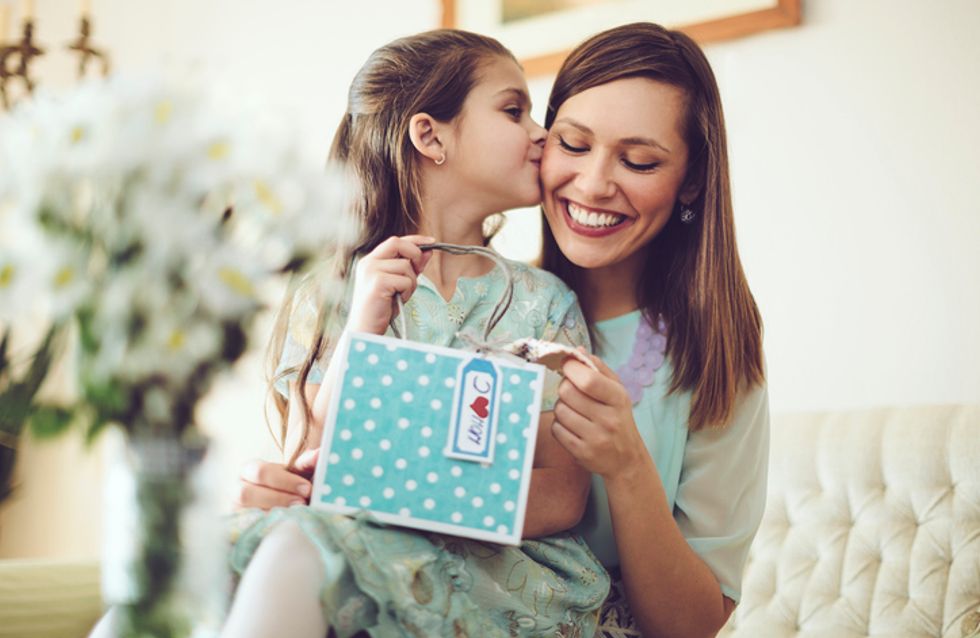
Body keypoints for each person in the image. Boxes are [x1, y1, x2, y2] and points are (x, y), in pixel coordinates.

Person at [221, 29, 609, 638]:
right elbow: (305, 470)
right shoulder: (331, 292)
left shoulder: (544, 304)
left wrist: (402, 499)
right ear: (430, 136)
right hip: (349, 541)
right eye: (514, 110)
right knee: (213, 558)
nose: (541, 133)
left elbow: (562, 495)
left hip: (499, 576)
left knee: (299, 548)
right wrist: (363, 329)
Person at [539, 22, 769, 638]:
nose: (592, 184)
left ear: (692, 180)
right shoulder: (482, 311)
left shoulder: (716, 354)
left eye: (639, 160)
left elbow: (694, 626)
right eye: (574, 144)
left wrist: (627, 466)